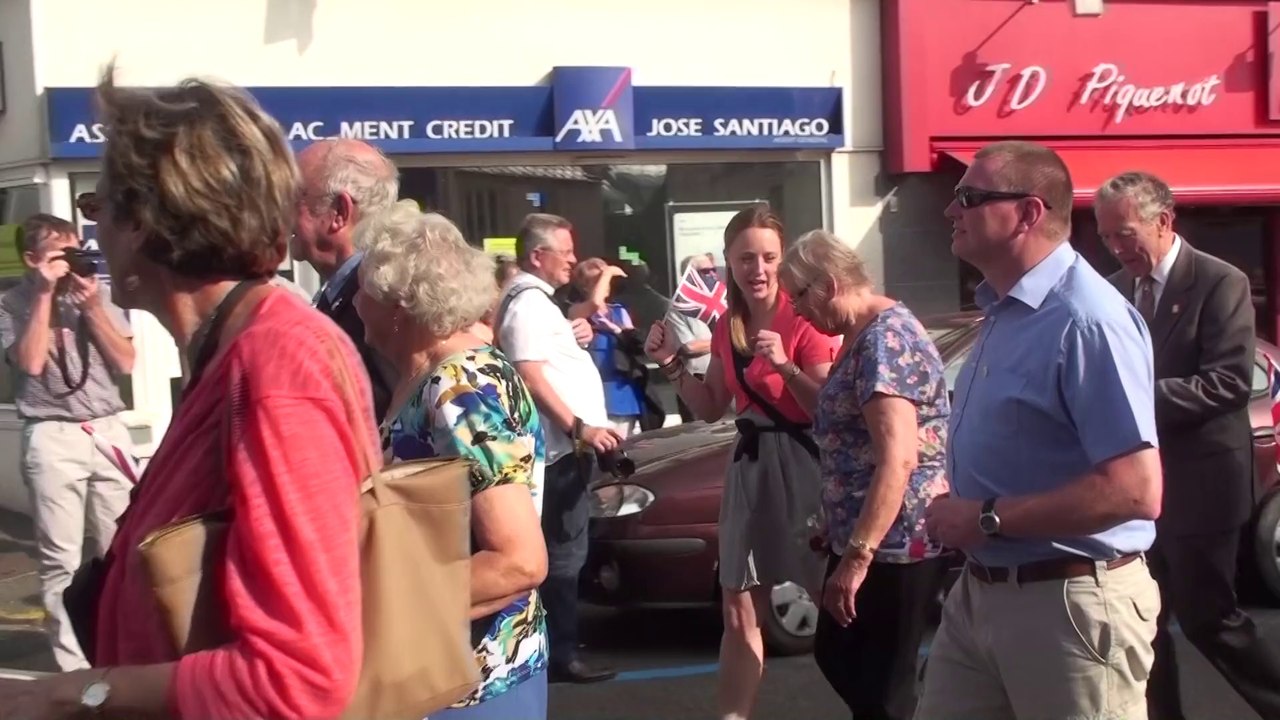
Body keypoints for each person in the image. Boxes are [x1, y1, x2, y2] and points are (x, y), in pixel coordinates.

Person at [0, 66, 378, 719]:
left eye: (98, 207)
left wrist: (69, 695)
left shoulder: (276, 366)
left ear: (143, 220)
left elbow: (298, 682)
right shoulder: (240, 346)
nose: (95, 233)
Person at [921, 140, 1163, 720]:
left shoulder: (1088, 319)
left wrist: (986, 515)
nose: (950, 211)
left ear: (1028, 213)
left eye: (969, 198)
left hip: (1070, 603)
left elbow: (1136, 490)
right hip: (980, 593)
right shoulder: (1005, 308)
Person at [355, 200, 550, 718]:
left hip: (471, 685)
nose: (354, 302)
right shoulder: (432, 378)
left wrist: (371, 610)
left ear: (398, 306)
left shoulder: (461, 387)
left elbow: (518, 560)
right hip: (447, 674)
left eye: (364, 288)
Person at [1096, 171, 1280, 720]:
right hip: (1136, 488)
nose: (1117, 248)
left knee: (1208, 618)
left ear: (1164, 221)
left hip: (1203, 485)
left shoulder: (1220, 281)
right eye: (1106, 236)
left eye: (1125, 233)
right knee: (1140, 621)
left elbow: (1227, 383)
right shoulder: (1112, 288)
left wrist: (1130, 398)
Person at [643, 205, 838, 720]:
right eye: (746, 258)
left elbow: (828, 409)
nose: (759, 269)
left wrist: (786, 366)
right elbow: (710, 407)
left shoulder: (805, 318)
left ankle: (879, 700)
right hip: (749, 465)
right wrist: (669, 363)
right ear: (729, 262)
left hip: (804, 466)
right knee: (738, 608)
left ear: (784, 258)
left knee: (834, 598)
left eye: (769, 257)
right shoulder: (729, 324)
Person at [779, 229, 950, 720]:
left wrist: (857, 557)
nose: (796, 310)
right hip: (863, 532)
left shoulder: (886, 340)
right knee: (841, 656)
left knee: (880, 685)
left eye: (799, 296)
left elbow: (898, 457)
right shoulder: (860, 334)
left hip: (895, 541)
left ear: (829, 284)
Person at [0, 213, 136, 671]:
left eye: (75, 251)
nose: (69, 263)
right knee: (60, 557)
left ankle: (123, 648)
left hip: (105, 427)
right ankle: (74, 668)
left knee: (121, 548)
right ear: (32, 259)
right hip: (52, 433)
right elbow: (31, 363)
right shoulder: (11, 303)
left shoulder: (97, 294)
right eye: (60, 255)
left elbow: (126, 361)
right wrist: (43, 295)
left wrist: (93, 307)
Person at [494, 213, 619, 684]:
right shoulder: (528, 303)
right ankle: (561, 654)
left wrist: (573, 328)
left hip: (565, 448)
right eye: (564, 251)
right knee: (564, 558)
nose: (572, 258)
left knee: (565, 552)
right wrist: (579, 427)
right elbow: (529, 372)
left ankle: (556, 649)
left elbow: (542, 354)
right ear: (537, 256)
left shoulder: (535, 303)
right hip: (561, 451)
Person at [291, 137, 398, 419]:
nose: (280, 213)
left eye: (292, 197)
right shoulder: (348, 295)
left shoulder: (379, 304)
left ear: (339, 212)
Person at [572, 258, 646, 438]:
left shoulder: (619, 312)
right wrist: (608, 271)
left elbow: (636, 345)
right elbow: (595, 303)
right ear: (584, 287)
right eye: (598, 280)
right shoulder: (577, 311)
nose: (605, 284)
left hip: (625, 397)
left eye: (605, 280)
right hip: (597, 401)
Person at [667, 253, 717, 423]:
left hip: (721, 377)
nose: (711, 274)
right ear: (690, 276)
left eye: (713, 270)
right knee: (700, 436)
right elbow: (689, 347)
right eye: (704, 271)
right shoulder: (680, 306)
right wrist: (724, 341)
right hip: (695, 380)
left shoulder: (721, 302)